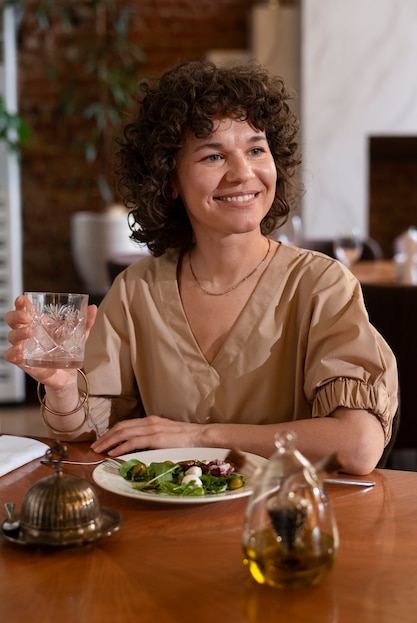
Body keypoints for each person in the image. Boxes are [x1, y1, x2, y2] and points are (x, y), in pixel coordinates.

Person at [5, 60, 398, 475]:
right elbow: (88, 431)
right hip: (168, 528)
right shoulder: (138, 289)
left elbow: (358, 444)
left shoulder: (321, 284)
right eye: (213, 155)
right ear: (169, 179)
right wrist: (62, 386)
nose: (243, 173)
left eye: (255, 149)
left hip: (282, 527)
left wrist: (198, 436)